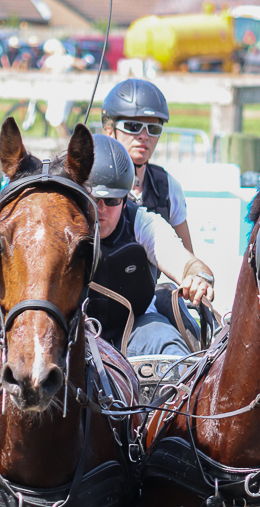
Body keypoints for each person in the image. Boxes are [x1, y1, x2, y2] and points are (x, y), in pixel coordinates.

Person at [86, 134, 213, 357]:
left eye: (112, 200)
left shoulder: (143, 223)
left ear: (125, 200)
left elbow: (185, 262)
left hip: (138, 324)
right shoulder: (58, 230)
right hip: (77, 327)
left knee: (168, 347)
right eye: (93, 198)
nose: (101, 208)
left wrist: (197, 277)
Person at [101, 79, 194, 252]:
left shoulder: (168, 188)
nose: (144, 136)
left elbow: (187, 257)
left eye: (153, 128)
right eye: (133, 126)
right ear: (109, 131)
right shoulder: (92, 186)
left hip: (149, 279)